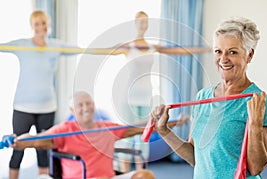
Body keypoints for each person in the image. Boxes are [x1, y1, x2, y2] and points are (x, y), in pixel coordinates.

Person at [150, 17, 267, 178]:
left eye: (233, 52)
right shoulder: (202, 97)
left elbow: (256, 167)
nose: (223, 59)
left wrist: (256, 125)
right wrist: (163, 130)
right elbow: (195, 157)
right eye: (218, 51)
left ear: (249, 55)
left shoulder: (258, 101)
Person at [106, 11, 211, 172]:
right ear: (135, 24)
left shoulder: (152, 47)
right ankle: (125, 174)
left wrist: (204, 49)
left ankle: (141, 174)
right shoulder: (128, 47)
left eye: (145, 22)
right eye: (140, 22)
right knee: (126, 138)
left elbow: (177, 51)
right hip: (128, 98)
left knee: (144, 136)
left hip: (146, 97)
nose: (143, 25)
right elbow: (106, 51)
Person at [9, 91, 186, 179]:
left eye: (89, 103)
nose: (86, 108)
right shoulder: (64, 129)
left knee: (145, 176)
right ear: (72, 110)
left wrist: (173, 122)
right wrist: (17, 142)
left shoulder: (105, 128)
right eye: (80, 105)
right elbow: (36, 141)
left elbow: (139, 128)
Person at [0, 10, 87, 179]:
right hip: (23, 108)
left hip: (47, 108)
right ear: (32, 26)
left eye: (44, 23)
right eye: (37, 24)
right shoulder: (22, 45)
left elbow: (81, 49)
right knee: (17, 150)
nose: (41, 27)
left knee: (43, 151)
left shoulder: (55, 46)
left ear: (49, 25)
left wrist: (113, 49)